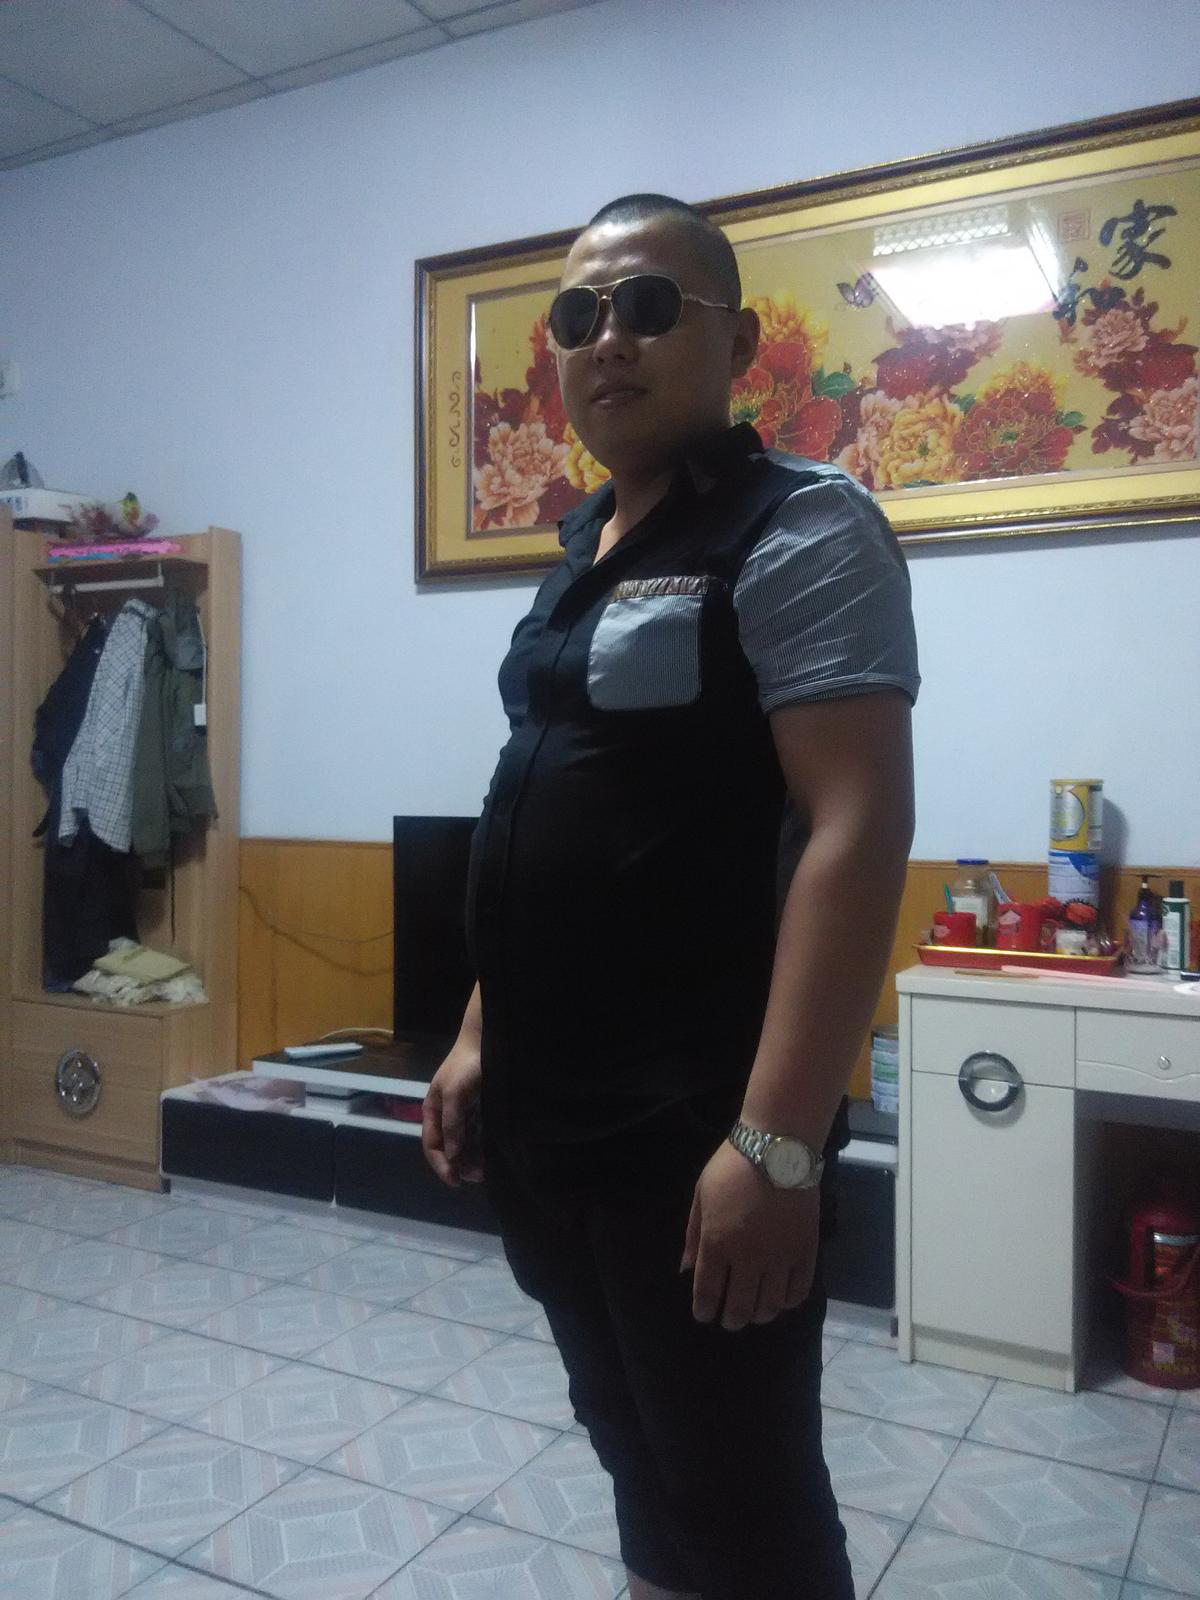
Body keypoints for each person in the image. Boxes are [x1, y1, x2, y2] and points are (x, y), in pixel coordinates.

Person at [423, 192, 919, 1600]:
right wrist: (478, 1031)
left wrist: (779, 1145)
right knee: (636, 1454)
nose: (608, 340)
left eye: (649, 307)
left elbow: (856, 826)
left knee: (744, 1496)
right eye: (578, 316)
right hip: (550, 1118)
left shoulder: (800, 526)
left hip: (697, 1124)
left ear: (738, 343)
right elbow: (550, 810)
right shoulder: (580, 552)